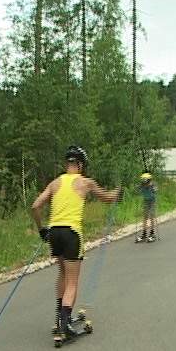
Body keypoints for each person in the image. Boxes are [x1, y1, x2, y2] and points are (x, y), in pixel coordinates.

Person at [31, 145, 122, 338]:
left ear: (67, 164)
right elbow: (107, 198)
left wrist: (42, 230)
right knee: (73, 281)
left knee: (62, 274)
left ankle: (59, 319)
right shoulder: (85, 182)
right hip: (72, 233)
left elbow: (35, 206)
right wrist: (118, 191)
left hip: (54, 232)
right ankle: (64, 325)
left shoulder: (55, 183)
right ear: (80, 165)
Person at [136, 172, 157, 243]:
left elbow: (156, 190)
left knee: (151, 217)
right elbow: (137, 191)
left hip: (152, 201)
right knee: (145, 218)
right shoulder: (141, 185)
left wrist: (152, 187)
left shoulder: (152, 185)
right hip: (146, 201)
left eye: (145, 181)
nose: (144, 182)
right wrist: (138, 189)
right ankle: (144, 234)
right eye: (143, 181)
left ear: (148, 180)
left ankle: (152, 234)